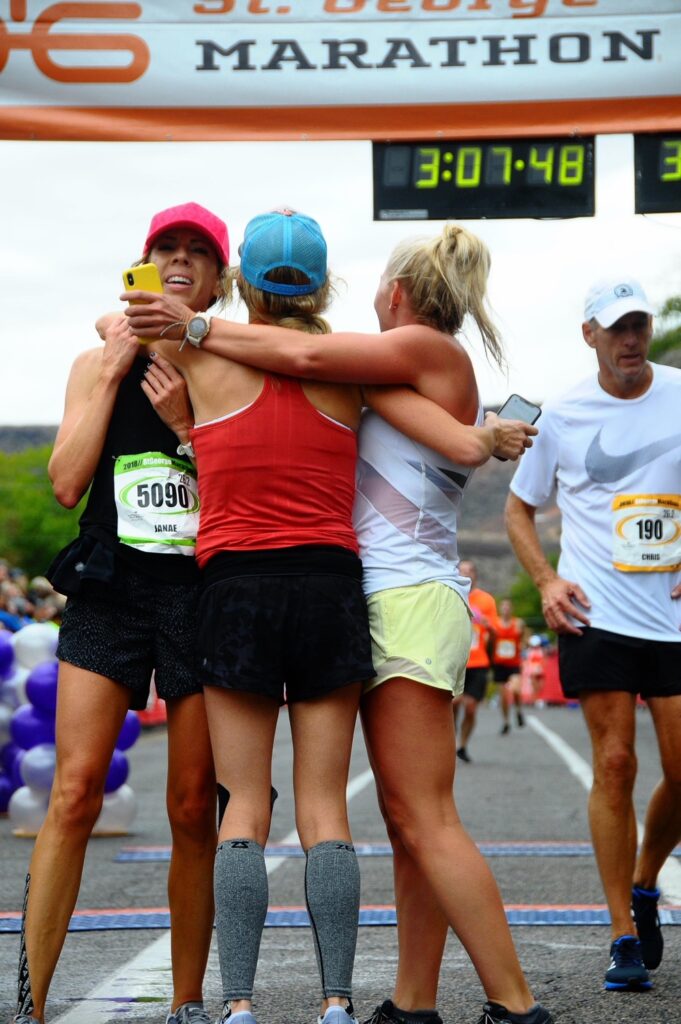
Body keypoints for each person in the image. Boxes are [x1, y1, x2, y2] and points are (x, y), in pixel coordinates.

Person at [126, 221, 551, 1024]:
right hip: (342, 589)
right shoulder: (364, 373)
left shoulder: (349, 355)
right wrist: (480, 434)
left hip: (313, 590)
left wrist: (184, 319)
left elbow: (139, 328)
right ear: (323, 290)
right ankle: (371, 1002)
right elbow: (426, 424)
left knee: (290, 808)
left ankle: (507, 1004)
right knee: (367, 813)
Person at [131, 208, 377, 1024]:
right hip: (328, 584)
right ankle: (336, 1000)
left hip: (233, 585)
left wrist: (182, 426)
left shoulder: (197, 354)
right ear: (321, 284)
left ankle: (236, 1004)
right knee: (324, 805)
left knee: (244, 802)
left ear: (238, 281)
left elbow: (118, 321)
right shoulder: (350, 365)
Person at [13, 202, 228, 1024]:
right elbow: (67, 483)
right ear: (139, 268)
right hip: (109, 589)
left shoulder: (229, 363)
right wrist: (111, 369)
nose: (178, 261)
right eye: (163, 249)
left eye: (195, 253)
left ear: (217, 280)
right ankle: (28, 1005)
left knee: (190, 808)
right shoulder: (91, 361)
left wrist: (186, 424)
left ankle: (185, 1004)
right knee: (72, 794)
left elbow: (243, 491)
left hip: (198, 596)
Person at [505, 276, 681, 992]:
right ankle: (620, 934)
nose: (630, 339)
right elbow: (518, 509)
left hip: (670, 615)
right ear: (589, 336)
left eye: (637, 325)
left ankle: (644, 881)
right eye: (615, 328)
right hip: (596, 614)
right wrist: (547, 583)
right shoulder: (564, 415)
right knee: (613, 764)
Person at [453, 559, 497, 761]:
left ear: (476, 575)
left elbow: (495, 631)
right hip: (455, 659)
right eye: (462, 570)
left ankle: (462, 745)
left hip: (478, 661)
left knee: (470, 707)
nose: (466, 573)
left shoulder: (486, 600)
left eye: (470, 570)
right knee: (454, 703)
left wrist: (487, 625)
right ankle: (449, 741)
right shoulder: (450, 594)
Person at [492, 597, 526, 733]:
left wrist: (523, 644)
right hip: (499, 664)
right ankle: (506, 721)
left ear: (511, 609)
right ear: (500, 609)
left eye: (508, 606)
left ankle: (518, 710)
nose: (506, 609)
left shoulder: (518, 623)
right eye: (503, 606)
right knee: (504, 696)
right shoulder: (495, 624)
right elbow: (490, 642)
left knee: (516, 690)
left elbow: (524, 638)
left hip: (514, 663)